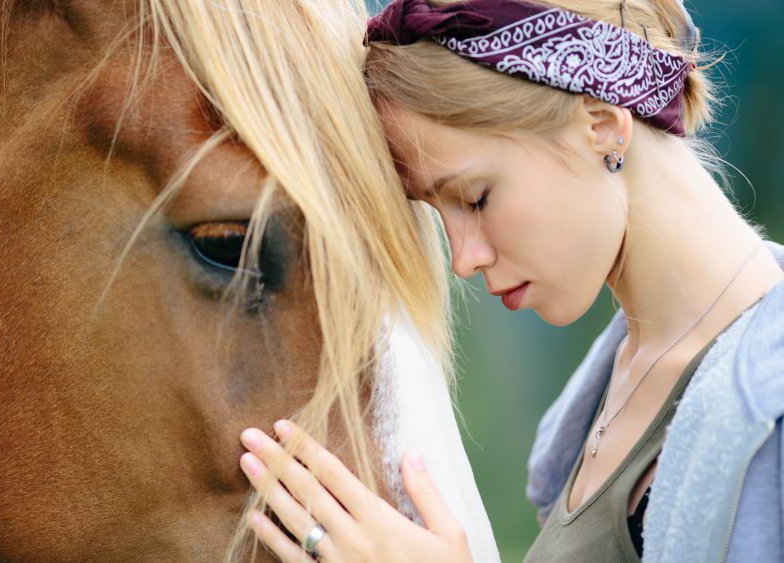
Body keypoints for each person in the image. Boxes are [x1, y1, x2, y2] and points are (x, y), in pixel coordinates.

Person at [236, 0, 784, 561]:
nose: (463, 260)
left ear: (600, 126)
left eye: (476, 197)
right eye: (437, 210)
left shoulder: (768, 410)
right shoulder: (608, 394)